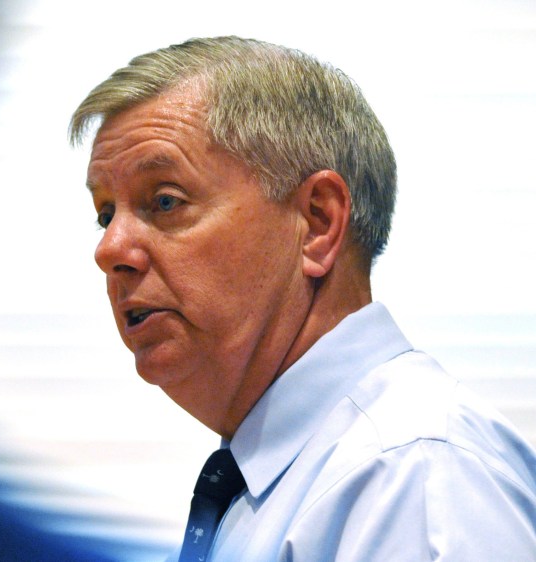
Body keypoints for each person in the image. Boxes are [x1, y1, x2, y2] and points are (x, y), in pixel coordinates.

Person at [69, 36, 536, 561]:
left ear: (317, 223)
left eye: (164, 201)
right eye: (106, 214)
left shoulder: (410, 474)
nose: (110, 249)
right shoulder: (275, 478)